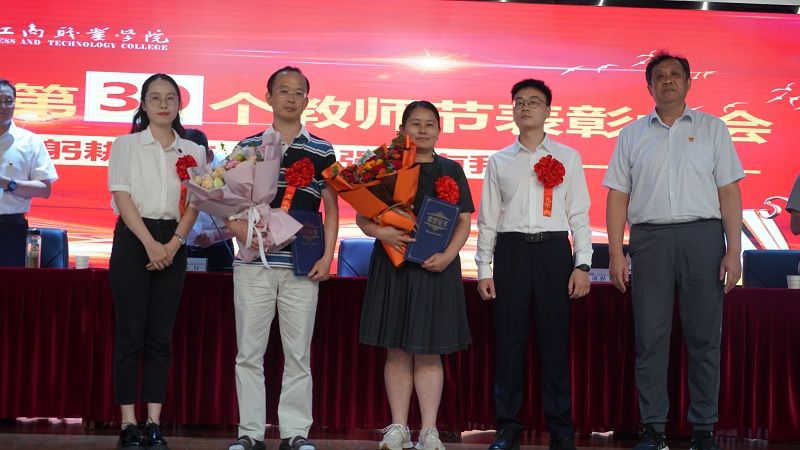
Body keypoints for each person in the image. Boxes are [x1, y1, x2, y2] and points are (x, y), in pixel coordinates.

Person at [603, 51, 744, 450]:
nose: (667, 80)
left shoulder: (713, 129)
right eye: (659, 75)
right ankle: (653, 429)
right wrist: (616, 253)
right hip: (649, 242)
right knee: (650, 338)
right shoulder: (631, 134)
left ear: (688, 83)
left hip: (703, 238)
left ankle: (703, 430)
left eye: (675, 74)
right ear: (649, 86)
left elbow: (729, 192)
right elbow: (618, 196)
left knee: (704, 337)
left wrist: (734, 250)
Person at [226, 66, 338, 450]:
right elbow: (226, 199)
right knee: (248, 354)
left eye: (298, 92)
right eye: (283, 90)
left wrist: (328, 255)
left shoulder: (322, 150)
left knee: (298, 355)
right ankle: (250, 433)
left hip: (302, 266)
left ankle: (294, 433)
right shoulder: (248, 145)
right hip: (253, 264)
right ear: (268, 97)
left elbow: (331, 208)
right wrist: (239, 230)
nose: (291, 98)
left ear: (307, 100)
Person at [475, 79, 591, 450]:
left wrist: (583, 265)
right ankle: (508, 427)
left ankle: (561, 428)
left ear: (548, 111)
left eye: (534, 102)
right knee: (509, 343)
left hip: (553, 253)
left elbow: (579, 214)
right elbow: (488, 219)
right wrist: (484, 268)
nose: (525, 107)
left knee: (554, 343)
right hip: (511, 253)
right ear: (512, 109)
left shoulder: (568, 156)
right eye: (519, 102)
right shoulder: (499, 160)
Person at [358, 101, 473, 450]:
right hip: (393, 266)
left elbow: (464, 221)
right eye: (415, 123)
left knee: (429, 352)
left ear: (439, 130)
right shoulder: (385, 168)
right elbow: (363, 217)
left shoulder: (451, 170)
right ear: (402, 129)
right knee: (396, 350)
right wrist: (382, 233)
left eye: (429, 124)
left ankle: (428, 431)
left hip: (436, 268)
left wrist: (448, 256)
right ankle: (398, 428)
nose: (423, 130)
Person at [107, 73, 205, 449]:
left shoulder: (193, 151)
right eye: (155, 98)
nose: (163, 105)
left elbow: (196, 203)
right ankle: (128, 423)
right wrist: (150, 244)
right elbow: (122, 197)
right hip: (134, 240)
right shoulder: (126, 144)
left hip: (174, 242)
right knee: (130, 334)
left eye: (170, 98)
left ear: (179, 104)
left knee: (161, 337)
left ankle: (153, 423)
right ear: (143, 105)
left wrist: (175, 243)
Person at [0, 78, 59, 265]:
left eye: (8, 101)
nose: (3, 106)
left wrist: (8, 184)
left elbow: (44, 189)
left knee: (10, 281)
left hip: (10, 228)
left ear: (15, 103)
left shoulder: (30, 141)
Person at [183, 128, 235, 270]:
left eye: (195, 160)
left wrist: (214, 235)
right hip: (180, 248)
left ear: (209, 155)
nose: (190, 167)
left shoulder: (227, 170)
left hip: (218, 248)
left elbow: (242, 221)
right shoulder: (175, 167)